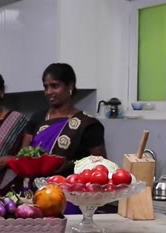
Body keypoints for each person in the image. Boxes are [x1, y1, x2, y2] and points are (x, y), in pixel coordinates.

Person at [24, 63, 107, 214]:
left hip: (69, 196)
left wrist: (69, 164)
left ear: (70, 86)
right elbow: (24, 153)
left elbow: (99, 165)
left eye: (55, 86)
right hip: (36, 193)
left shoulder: (87, 124)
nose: (49, 92)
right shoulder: (37, 118)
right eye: (46, 87)